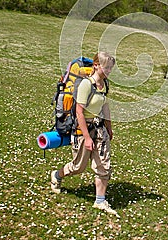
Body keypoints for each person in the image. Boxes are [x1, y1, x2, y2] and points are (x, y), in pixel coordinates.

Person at [50, 51, 119, 217]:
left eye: (111, 68)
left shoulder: (105, 84)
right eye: (106, 67)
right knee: (78, 167)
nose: (109, 70)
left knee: (103, 165)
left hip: (100, 129)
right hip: (83, 130)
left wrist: (109, 127)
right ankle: (57, 175)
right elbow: (79, 112)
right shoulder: (86, 85)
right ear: (96, 65)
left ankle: (100, 200)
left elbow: (105, 106)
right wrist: (87, 138)